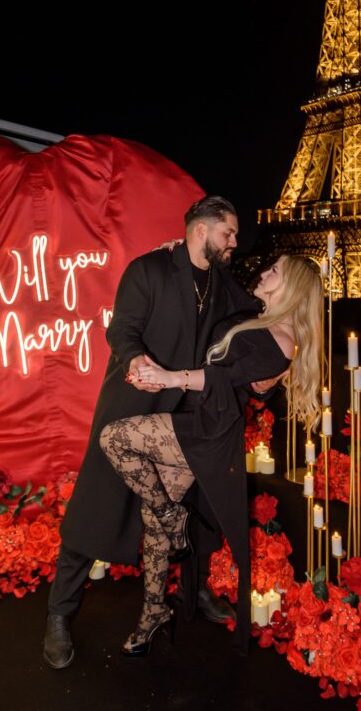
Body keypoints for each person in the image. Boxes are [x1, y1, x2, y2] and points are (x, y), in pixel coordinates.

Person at [43, 195, 262, 669]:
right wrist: (136, 357)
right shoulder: (148, 270)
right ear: (201, 231)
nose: (235, 243)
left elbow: (265, 308)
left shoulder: (225, 282)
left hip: (187, 419)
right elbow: (121, 329)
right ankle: (59, 615)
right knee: (96, 509)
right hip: (131, 411)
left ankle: (195, 590)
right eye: (229, 233)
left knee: (193, 510)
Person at [99, 253, 322, 656]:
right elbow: (223, 279)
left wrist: (170, 378)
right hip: (197, 419)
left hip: (210, 432)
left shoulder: (283, 340)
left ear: (292, 289)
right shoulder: (257, 317)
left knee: (114, 438)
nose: (265, 272)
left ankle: (174, 517)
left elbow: (225, 378)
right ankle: (153, 613)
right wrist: (184, 252)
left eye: (275, 272)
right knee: (154, 520)